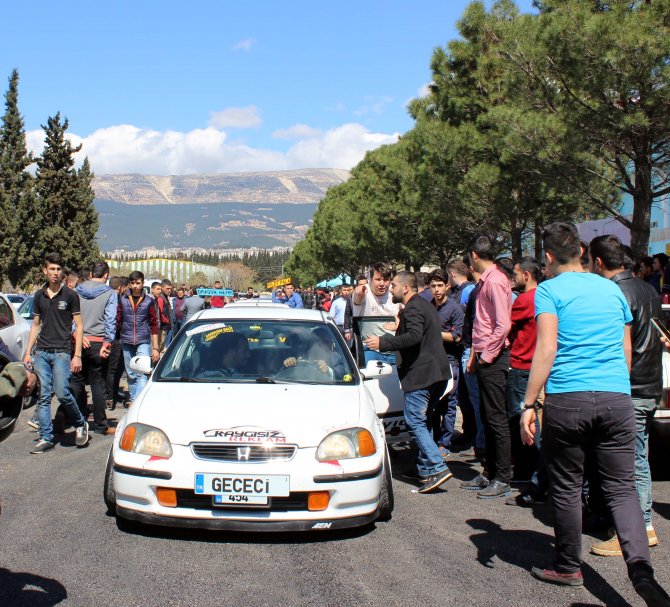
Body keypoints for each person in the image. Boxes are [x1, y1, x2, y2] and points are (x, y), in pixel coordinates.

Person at [520, 222, 670, 606]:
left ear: (550, 257)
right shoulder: (611, 288)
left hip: (568, 399)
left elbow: (548, 348)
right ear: (583, 253)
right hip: (617, 397)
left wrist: (530, 402)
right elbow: (625, 351)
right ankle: (641, 570)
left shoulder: (549, 291)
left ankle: (569, 565)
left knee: (568, 485)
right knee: (621, 488)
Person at [589, 234, 663, 556]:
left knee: (628, 462)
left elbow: (619, 346)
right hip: (649, 383)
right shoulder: (648, 289)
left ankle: (636, 529)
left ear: (599, 262)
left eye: (590, 261)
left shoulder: (612, 292)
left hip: (628, 386)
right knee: (637, 456)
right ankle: (639, 525)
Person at [364, 271, 453, 494]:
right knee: (424, 422)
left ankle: (437, 466)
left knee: (414, 422)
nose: (391, 288)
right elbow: (419, 333)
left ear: (405, 288)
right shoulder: (423, 306)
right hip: (437, 374)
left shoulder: (413, 308)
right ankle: (424, 468)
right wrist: (398, 327)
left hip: (422, 376)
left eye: (393, 285)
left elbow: (414, 336)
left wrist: (383, 342)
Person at [461, 235, 513, 499]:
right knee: (487, 416)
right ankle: (490, 471)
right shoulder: (485, 283)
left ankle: (502, 477)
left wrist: (486, 356)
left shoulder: (495, 281)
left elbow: (503, 325)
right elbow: (481, 324)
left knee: (496, 419)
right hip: (482, 355)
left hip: (493, 358)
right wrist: (474, 356)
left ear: (474, 255)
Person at [23, 252, 89, 453]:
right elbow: (35, 325)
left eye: (58, 269)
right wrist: (28, 352)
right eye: (51, 269)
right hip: (41, 351)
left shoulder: (70, 296)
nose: (55, 272)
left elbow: (79, 326)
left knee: (62, 392)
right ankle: (46, 436)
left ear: (62, 273)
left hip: (62, 352)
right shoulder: (38, 295)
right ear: (45, 271)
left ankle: (80, 423)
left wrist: (77, 355)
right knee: (43, 395)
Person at [69, 261, 118, 436]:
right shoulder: (110, 294)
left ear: (90, 274)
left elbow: (71, 318)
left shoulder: (76, 292)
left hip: (80, 342)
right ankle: (101, 425)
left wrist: (77, 335)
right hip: (98, 342)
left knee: (76, 382)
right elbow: (110, 320)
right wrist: (107, 342)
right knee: (98, 385)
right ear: (105, 275)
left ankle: (69, 418)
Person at [428, 269, 464, 458]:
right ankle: (433, 440)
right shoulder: (428, 307)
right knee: (433, 404)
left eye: (440, 285)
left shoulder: (454, 309)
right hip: (431, 362)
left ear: (447, 286)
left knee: (449, 405)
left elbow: (457, 336)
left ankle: (445, 442)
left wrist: (433, 332)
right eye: (433, 286)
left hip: (450, 362)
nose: (436, 289)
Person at [117, 271, 160, 404]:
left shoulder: (149, 301)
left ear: (142, 283)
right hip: (126, 339)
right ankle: (133, 397)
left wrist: (155, 348)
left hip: (143, 340)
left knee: (142, 371)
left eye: (138, 283)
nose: (135, 286)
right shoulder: (123, 299)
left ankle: (137, 401)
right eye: (133, 283)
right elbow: (118, 320)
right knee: (130, 373)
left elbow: (154, 324)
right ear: (129, 284)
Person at [353, 263, 400, 365]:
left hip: (394, 349)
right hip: (369, 349)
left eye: (386, 280)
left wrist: (398, 322)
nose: (382, 283)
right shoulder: (364, 291)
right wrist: (358, 294)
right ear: (370, 279)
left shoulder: (395, 292)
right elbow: (357, 298)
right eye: (378, 279)